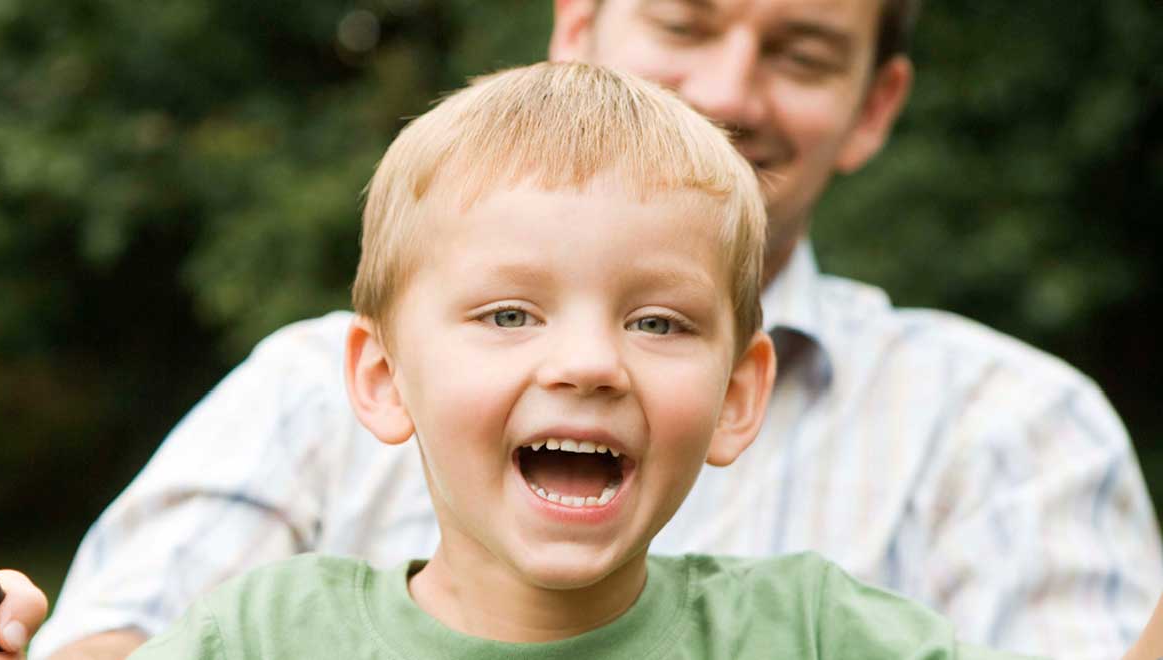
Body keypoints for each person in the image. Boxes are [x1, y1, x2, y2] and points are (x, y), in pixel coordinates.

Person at [0, 1, 1163, 658]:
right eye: (686, 19)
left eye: (802, 52)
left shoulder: (871, 571)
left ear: (737, 396)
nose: (589, 361)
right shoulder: (274, 614)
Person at [128, 58, 1028, 659]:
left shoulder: (817, 636)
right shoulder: (260, 638)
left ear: (737, 396)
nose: (590, 363)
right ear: (382, 377)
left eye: (659, 324)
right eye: (511, 314)